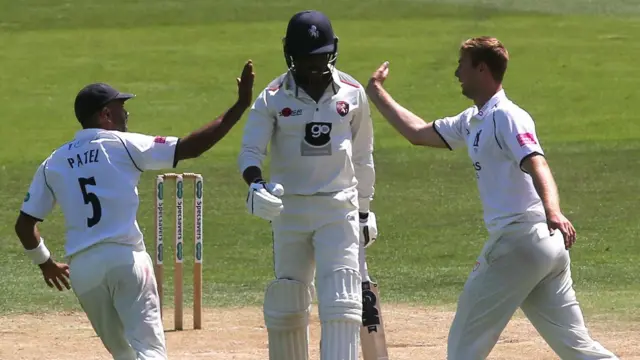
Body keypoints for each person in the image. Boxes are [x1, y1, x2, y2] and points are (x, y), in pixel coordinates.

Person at [365, 36, 619, 360]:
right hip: (544, 248)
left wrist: (553, 211)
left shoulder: (507, 117)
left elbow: (537, 162)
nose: (457, 73)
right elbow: (418, 132)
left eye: (462, 65)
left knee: (462, 347)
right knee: (577, 347)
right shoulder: (474, 120)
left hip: (520, 241)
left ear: (481, 68)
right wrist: (376, 92)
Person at [14, 60, 255, 360]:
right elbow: (190, 147)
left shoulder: (54, 162)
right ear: (105, 115)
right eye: (120, 107)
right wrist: (240, 106)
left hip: (84, 271)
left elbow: (24, 225)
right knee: (150, 352)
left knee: (124, 356)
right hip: (125, 260)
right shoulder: (122, 144)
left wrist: (46, 263)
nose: (126, 113)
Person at [238, 10, 377, 360]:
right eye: (305, 59)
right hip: (290, 210)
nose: (314, 67)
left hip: (338, 207)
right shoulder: (273, 96)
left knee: (342, 300)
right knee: (288, 301)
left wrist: (364, 210)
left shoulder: (353, 93)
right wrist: (256, 185)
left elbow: (362, 156)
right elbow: (250, 151)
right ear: (290, 55)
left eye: (320, 58)